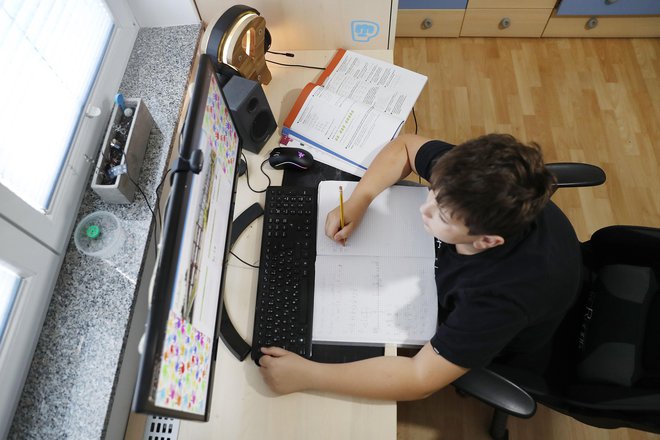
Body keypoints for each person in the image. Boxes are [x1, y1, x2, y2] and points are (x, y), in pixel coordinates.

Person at [258, 133, 581, 400]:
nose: (424, 209)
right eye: (434, 195)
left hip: (501, 336)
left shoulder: (499, 299)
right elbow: (408, 147)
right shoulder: (473, 181)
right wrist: (361, 198)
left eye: (441, 216)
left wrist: (308, 375)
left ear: (486, 241)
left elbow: (420, 377)